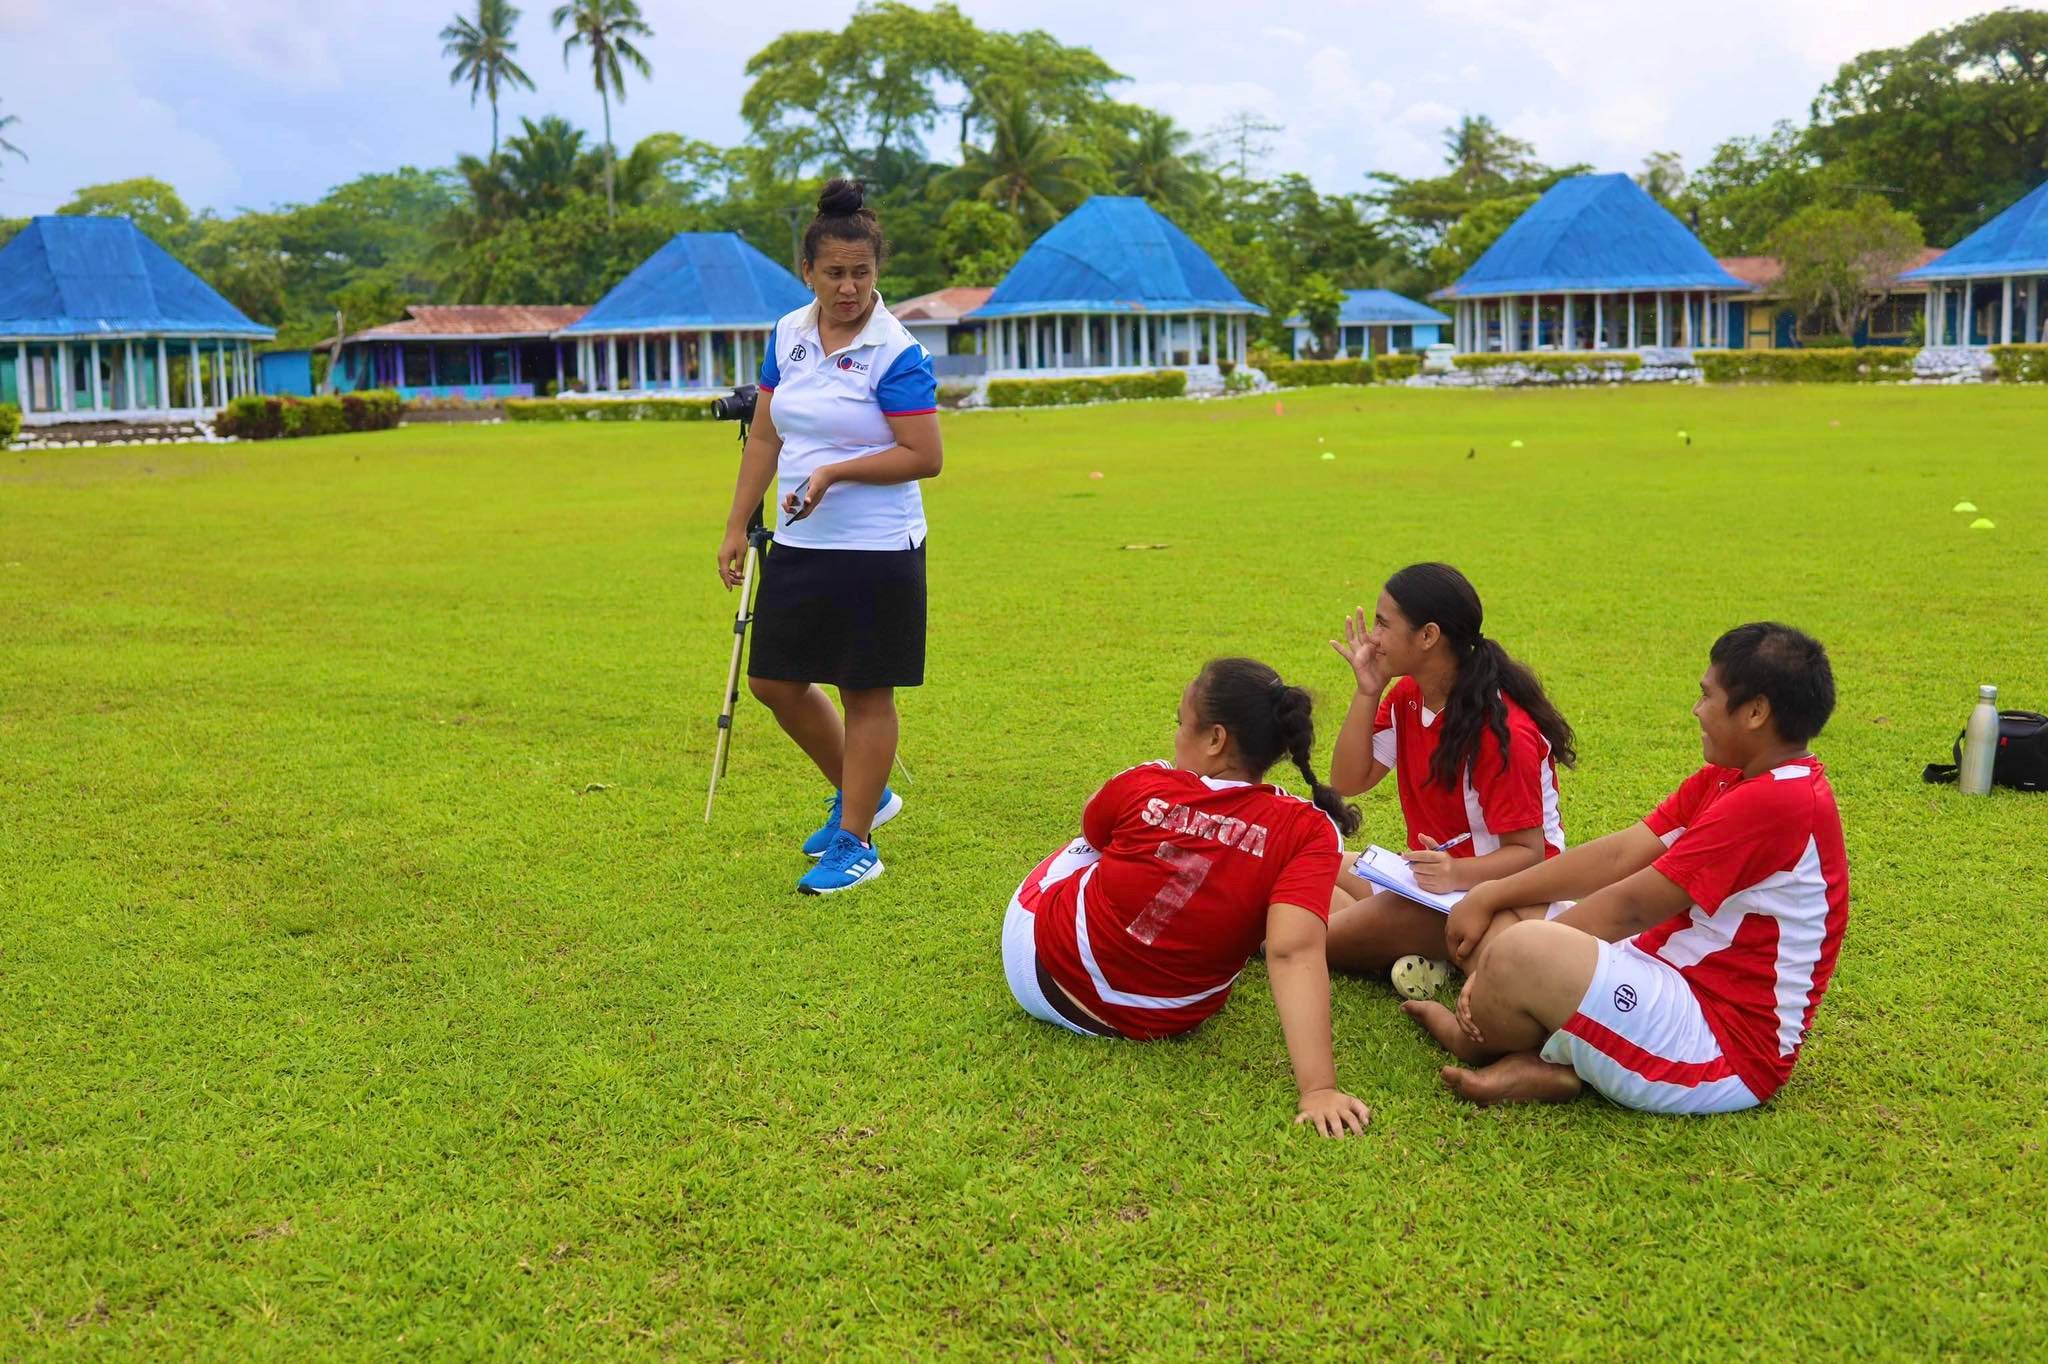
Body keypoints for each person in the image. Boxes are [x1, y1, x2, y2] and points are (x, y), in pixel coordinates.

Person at [1408, 623, 1848, 1114]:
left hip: (1721, 1046)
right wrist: (1491, 894)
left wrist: (1500, 962)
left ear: (1756, 712)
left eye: (1707, 695)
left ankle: (1472, 1040)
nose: (1696, 710)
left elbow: (1632, 906)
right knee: (1520, 913)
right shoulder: (1732, 779)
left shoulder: (1778, 800)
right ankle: (1548, 1062)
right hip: (1663, 970)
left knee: (1521, 947)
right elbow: (1618, 855)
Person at [1001, 657, 1375, 1137]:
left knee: (1093, 848)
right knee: (1279, 882)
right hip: (1170, 1015)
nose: (1176, 735)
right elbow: (1292, 951)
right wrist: (1318, 1088)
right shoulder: (1308, 829)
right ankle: (1369, 883)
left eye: (1181, 723)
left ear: (1216, 739)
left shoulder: (1148, 780)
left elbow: (1093, 829)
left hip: (1044, 975)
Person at [716, 179, 942, 895]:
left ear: (878, 272)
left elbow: (924, 456)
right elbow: (766, 436)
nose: (849, 288)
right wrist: (734, 525)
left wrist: (835, 474)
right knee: (773, 680)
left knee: (864, 691)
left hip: (879, 549)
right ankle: (865, 793)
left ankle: (857, 842)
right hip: (802, 543)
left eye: (862, 273)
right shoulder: (787, 334)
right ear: (808, 271)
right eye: (835, 273)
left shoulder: (895, 351)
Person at [1322, 563, 1576, 978]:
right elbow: (1350, 780)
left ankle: (1417, 941)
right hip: (1428, 884)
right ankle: (1416, 946)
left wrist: (1456, 872)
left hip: (1495, 898)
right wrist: (1367, 690)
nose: (1373, 638)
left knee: (1305, 935)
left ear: (1428, 636)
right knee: (1312, 866)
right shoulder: (1409, 695)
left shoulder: (1499, 729)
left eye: (1384, 624)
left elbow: (1531, 855)